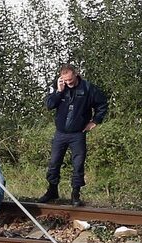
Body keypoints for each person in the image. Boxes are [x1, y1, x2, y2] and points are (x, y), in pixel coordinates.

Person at [38, 63, 108, 206]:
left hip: (78, 134)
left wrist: (95, 121)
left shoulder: (88, 88)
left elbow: (102, 105)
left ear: (76, 74)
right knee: (54, 163)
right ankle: (52, 191)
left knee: (78, 164)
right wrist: (58, 91)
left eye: (70, 80)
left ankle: (75, 194)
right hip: (60, 133)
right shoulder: (58, 86)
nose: (68, 83)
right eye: (65, 80)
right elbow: (49, 105)